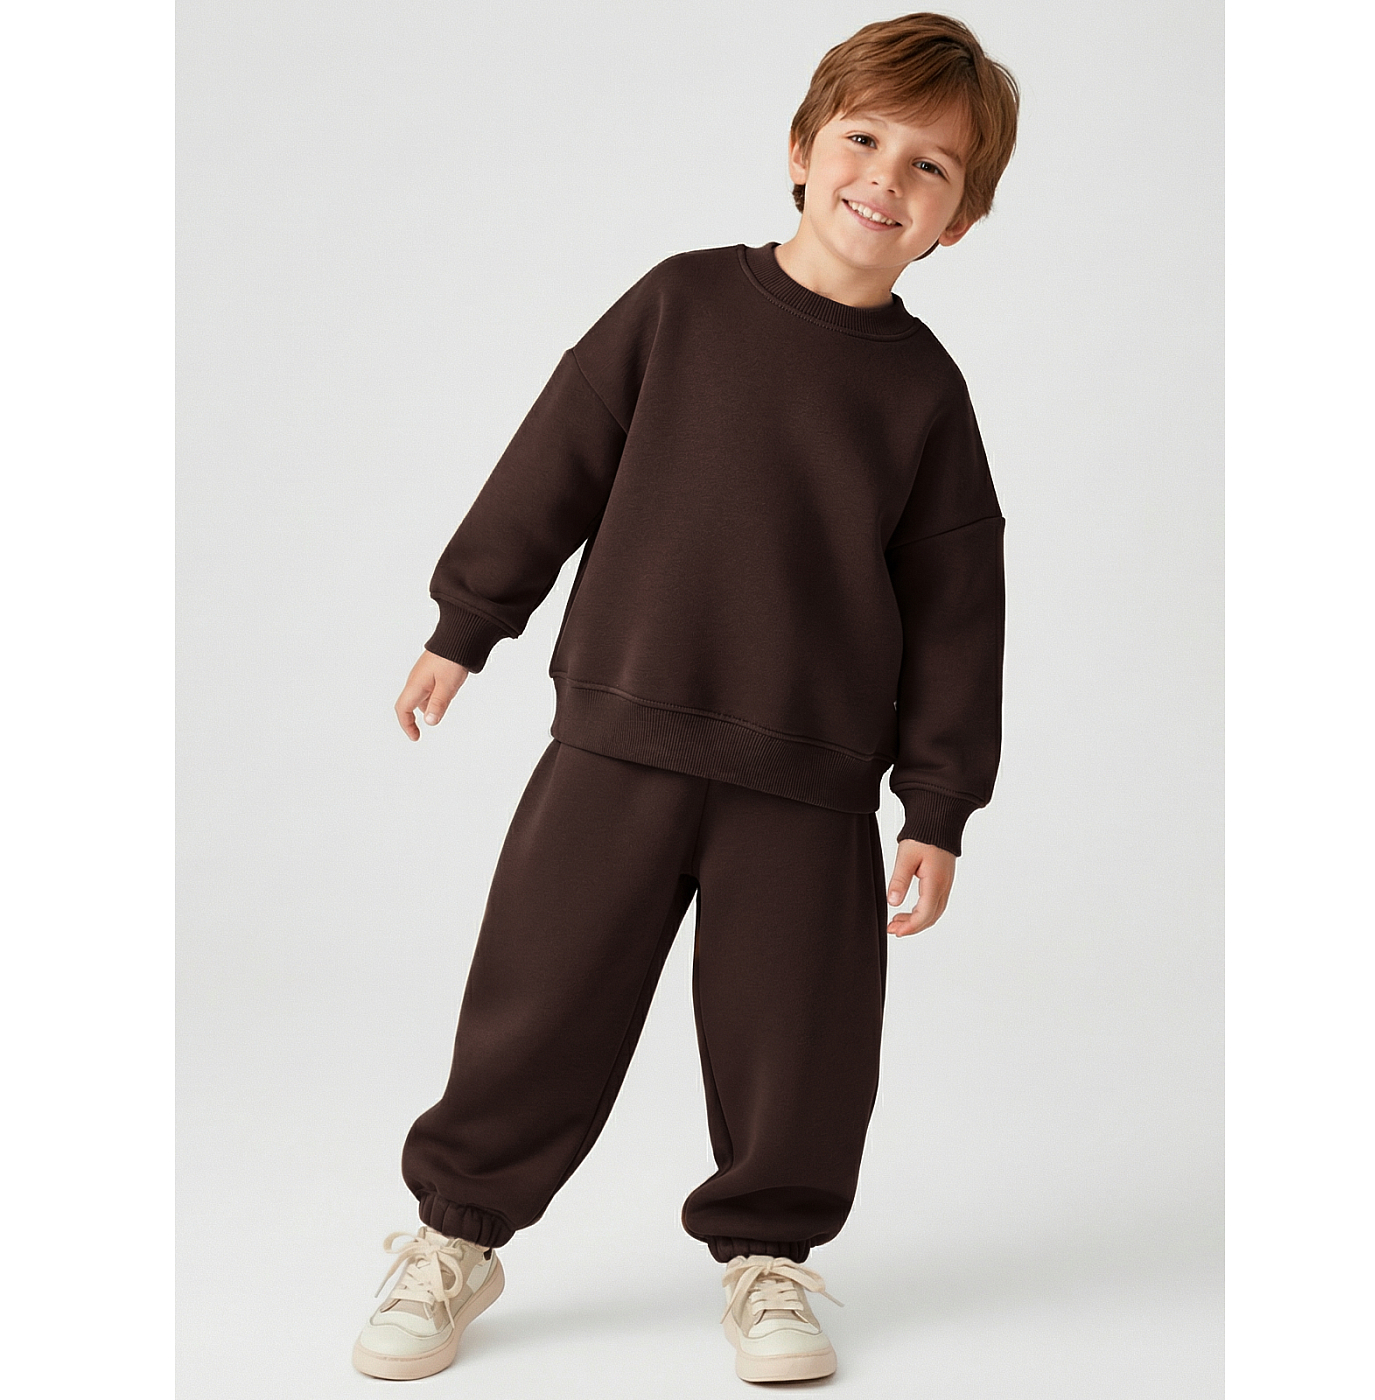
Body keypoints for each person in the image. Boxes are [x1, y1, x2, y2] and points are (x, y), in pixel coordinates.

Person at [351, 11, 1019, 1385]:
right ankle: (454, 1234)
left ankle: (770, 1257)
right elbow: (556, 458)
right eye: (863, 139)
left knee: (800, 1039)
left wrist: (938, 804)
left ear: (960, 221)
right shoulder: (680, 305)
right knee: (540, 999)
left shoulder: (926, 396)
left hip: (810, 776)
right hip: (620, 737)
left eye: (932, 167)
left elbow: (958, 609)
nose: (886, 179)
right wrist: (468, 622)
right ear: (801, 149)